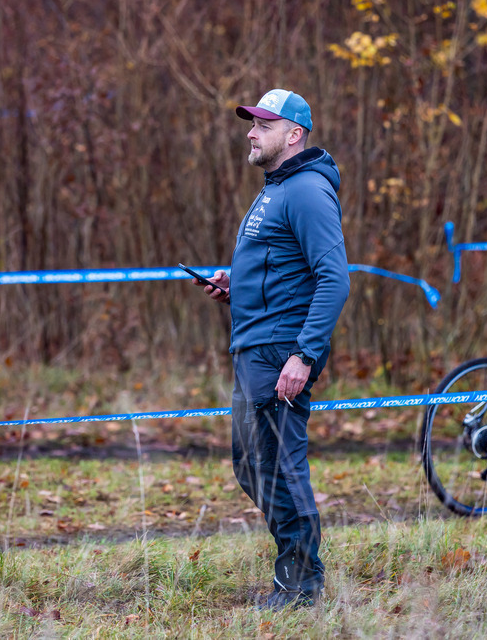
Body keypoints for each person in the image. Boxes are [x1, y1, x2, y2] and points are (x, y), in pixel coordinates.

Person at [189, 88, 349, 609]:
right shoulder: (276, 188)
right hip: (255, 346)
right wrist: (233, 286)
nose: (251, 133)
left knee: (280, 466)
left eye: (263, 125)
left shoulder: (307, 191)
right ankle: (297, 570)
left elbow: (334, 279)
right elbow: (281, 268)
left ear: (294, 134)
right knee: (251, 465)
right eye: (252, 124)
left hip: (281, 351)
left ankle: (301, 583)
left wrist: (304, 355)